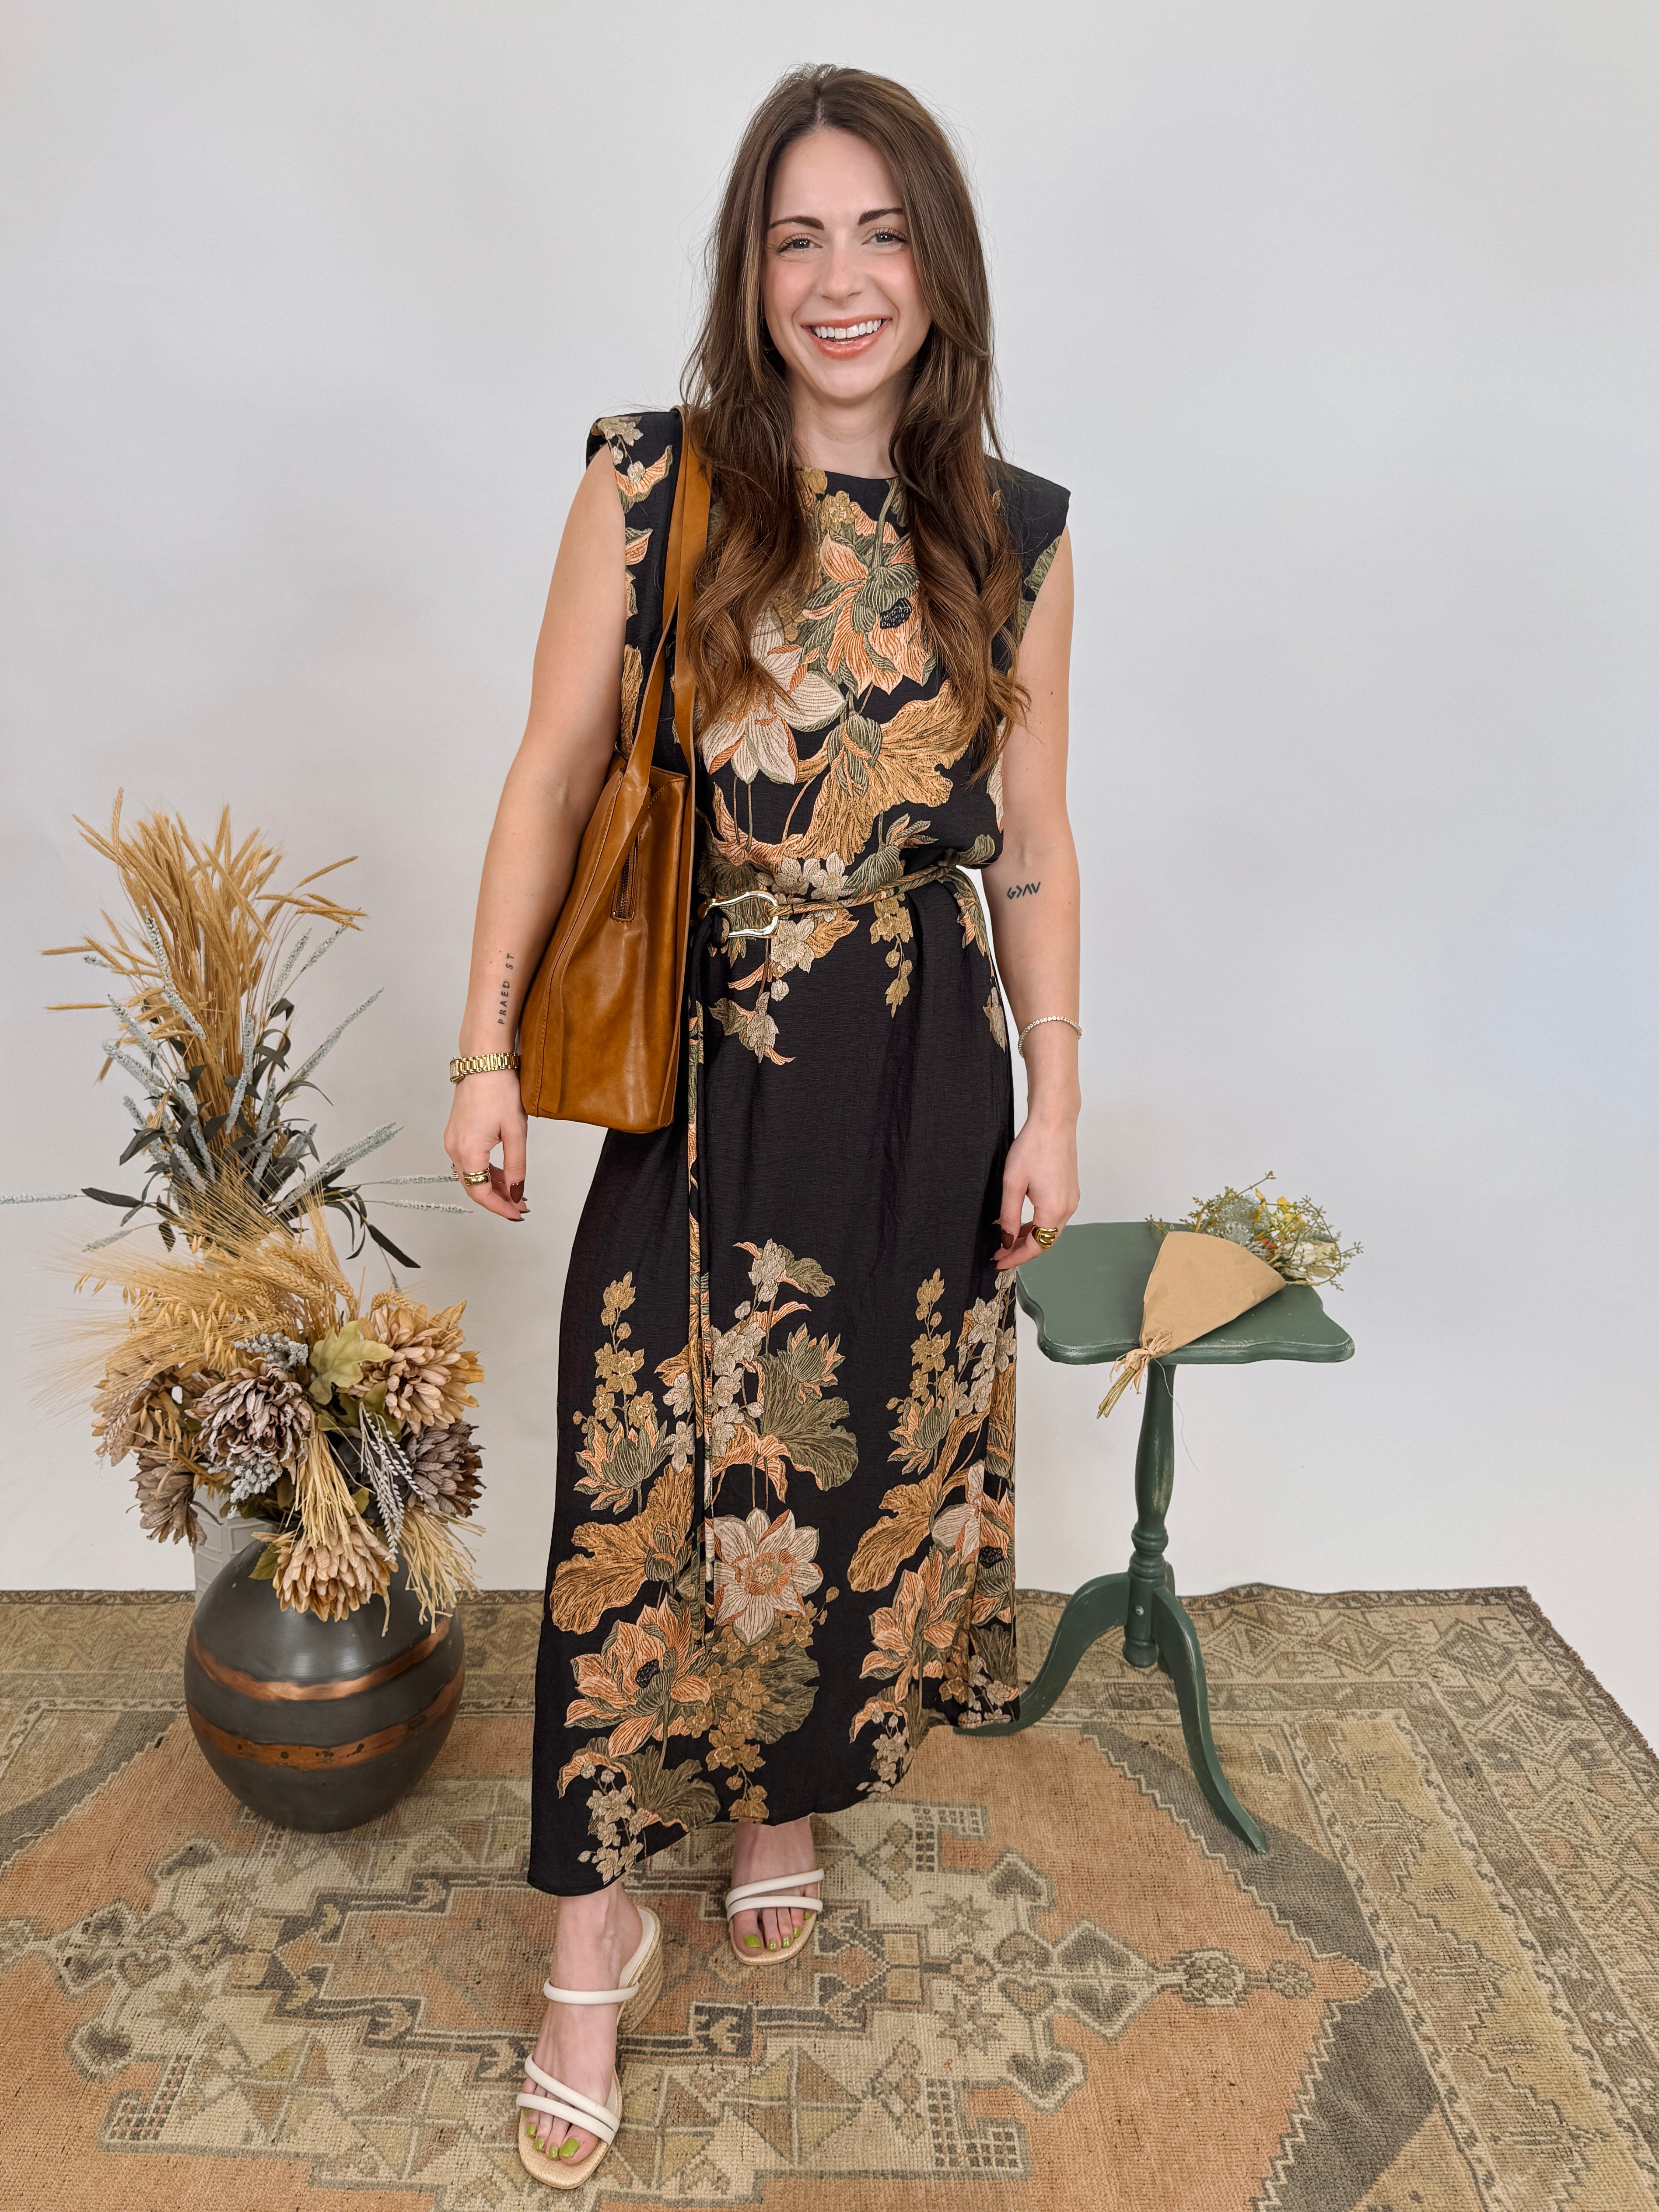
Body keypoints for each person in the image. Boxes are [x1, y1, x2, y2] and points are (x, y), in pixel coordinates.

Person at [444, 61, 1080, 2188]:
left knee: (858, 1461)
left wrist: (1055, 1101)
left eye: (881, 233)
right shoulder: (655, 484)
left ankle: (780, 1796)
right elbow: (552, 771)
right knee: (634, 1487)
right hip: (713, 1057)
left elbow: (1036, 843)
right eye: (798, 237)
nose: (840, 278)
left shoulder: (1014, 531)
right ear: (750, 271)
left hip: (926, 1068)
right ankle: (587, 1946)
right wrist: (481, 1046)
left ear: (939, 267)